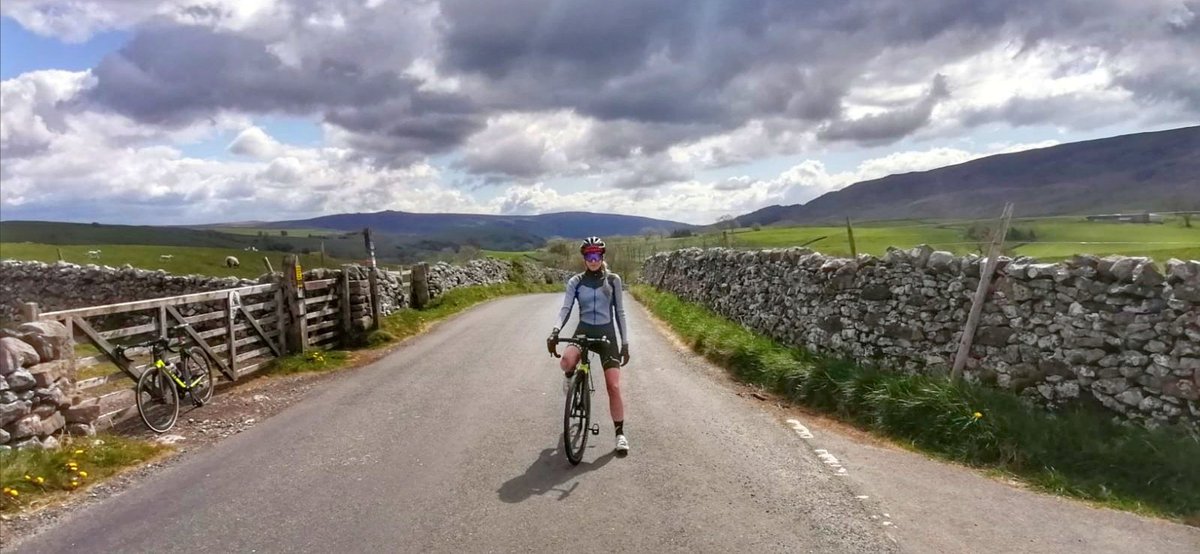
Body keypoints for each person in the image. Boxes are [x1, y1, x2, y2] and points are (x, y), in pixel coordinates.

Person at [547, 236, 631, 454]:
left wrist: (625, 343)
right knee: (566, 361)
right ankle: (570, 378)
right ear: (584, 258)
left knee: (613, 386)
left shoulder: (613, 280)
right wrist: (555, 331)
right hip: (584, 329)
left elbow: (620, 313)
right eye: (588, 256)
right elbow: (565, 309)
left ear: (602, 257)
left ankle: (620, 434)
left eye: (596, 256)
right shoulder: (576, 281)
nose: (592, 260)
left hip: (606, 333)